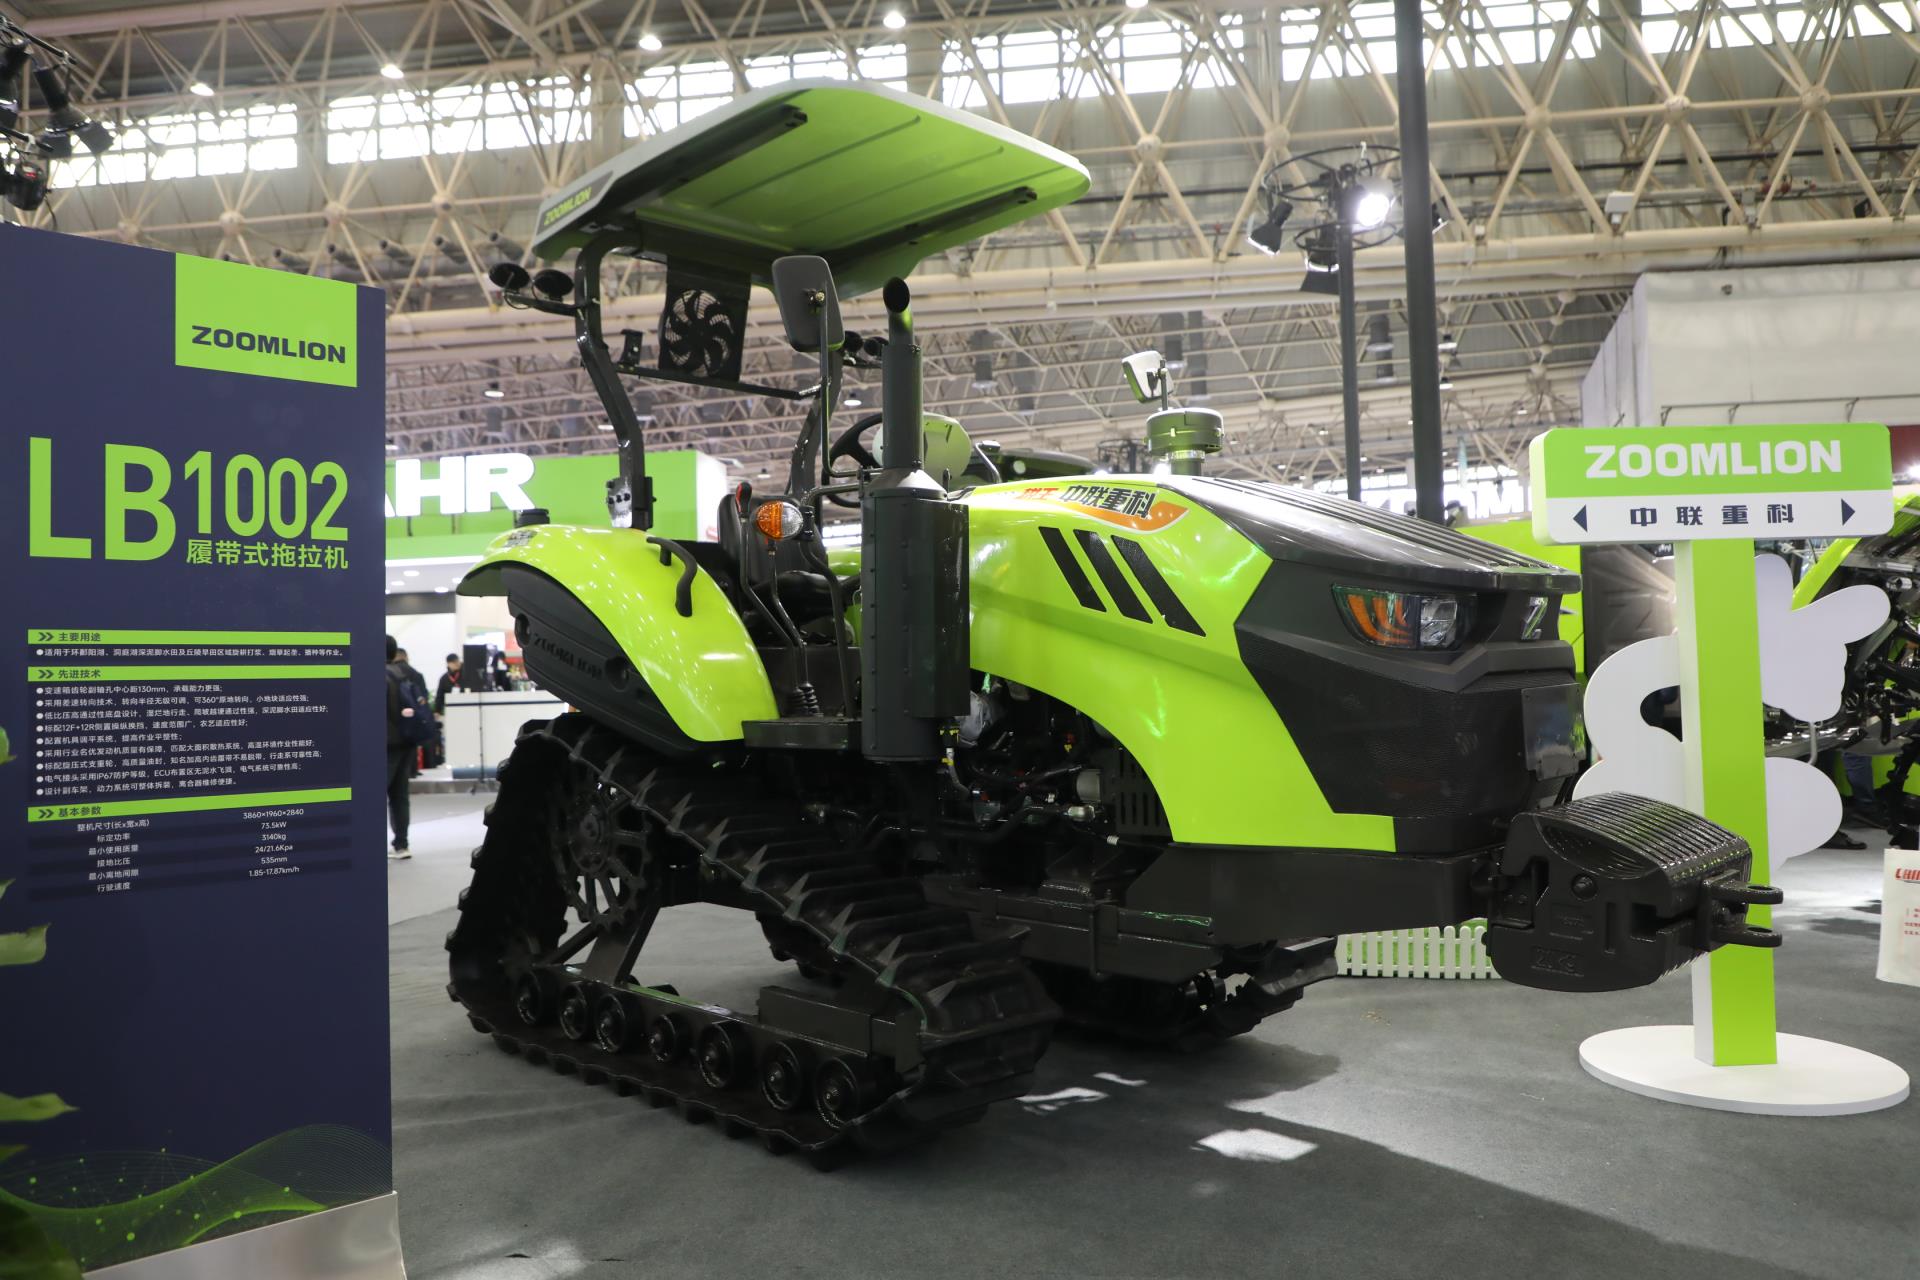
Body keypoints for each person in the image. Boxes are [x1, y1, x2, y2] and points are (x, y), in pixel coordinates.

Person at [385, 635, 416, 859]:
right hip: (406, 740)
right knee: (400, 795)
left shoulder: (375, 675)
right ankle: (402, 845)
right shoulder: (405, 673)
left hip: (386, 744)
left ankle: (371, 845)